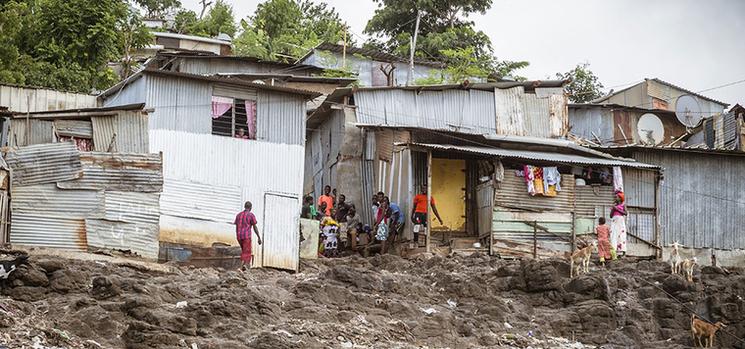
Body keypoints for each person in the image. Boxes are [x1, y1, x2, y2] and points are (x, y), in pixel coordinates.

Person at [234, 201, 262, 271]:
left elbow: (236, 226)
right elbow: (255, 227)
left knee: (244, 251)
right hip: (246, 236)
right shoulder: (251, 215)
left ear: (244, 206)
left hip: (239, 236)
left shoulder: (238, 215)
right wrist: (258, 237)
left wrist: (238, 235)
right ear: (251, 207)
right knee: (247, 252)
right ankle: (243, 267)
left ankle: (244, 266)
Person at [610, 193, 628, 258]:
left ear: (620, 198)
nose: (615, 198)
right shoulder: (614, 205)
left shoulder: (623, 205)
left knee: (621, 235)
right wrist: (613, 209)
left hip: (620, 221)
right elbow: (611, 216)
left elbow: (626, 213)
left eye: (616, 197)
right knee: (613, 236)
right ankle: (614, 253)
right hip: (614, 221)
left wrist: (617, 209)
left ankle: (623, 253)